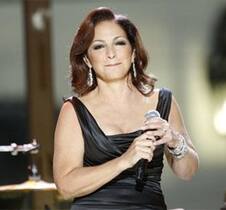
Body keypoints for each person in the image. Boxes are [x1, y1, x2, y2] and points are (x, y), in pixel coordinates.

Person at [53, 7, 199, 210]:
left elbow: (187, 172)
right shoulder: (74, 111)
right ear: (87, 59)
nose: (111, 54)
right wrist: (124, 160)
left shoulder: (163, 101)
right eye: (98, 47)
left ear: (133, 52)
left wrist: (175, 141)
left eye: (119, 43)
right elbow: (66, 186)